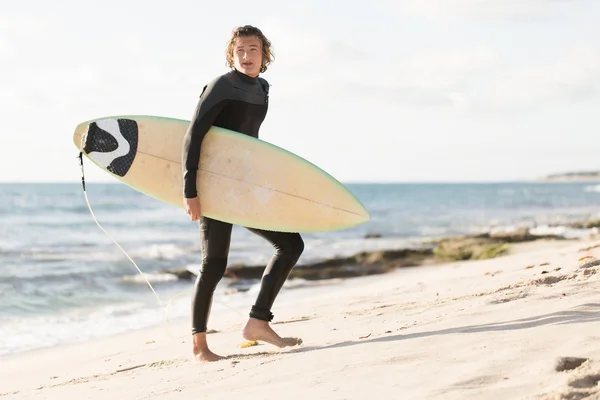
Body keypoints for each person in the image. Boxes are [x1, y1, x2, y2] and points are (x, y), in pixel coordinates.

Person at [181, 25, 304, 362]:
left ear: (264, 54)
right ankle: (199, 346)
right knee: (214, 264)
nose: (247, 56)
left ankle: (258, 322)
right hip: (215, 185)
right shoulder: (222, 85)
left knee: (291, 244)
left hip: (244, 185)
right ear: (231, 54)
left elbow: (249, 140)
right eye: (240, 51)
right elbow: (194, 136)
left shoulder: (262, 87)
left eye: (253, 50)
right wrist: (190, 190)